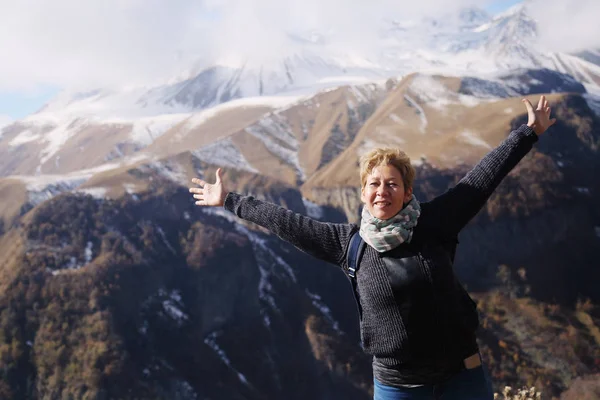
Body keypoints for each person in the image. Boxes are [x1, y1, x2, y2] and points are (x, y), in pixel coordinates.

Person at [189, 95, 556, 400]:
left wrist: (529, 133)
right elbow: (287, 223)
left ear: (408, 191)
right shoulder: (347, 243)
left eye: (393, 184)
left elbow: (482, 178)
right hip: (399, 387)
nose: (383, 191)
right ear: (363, 193)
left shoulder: (435, 221)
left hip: (463, 377)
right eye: (375, 184)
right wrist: (229, 200)